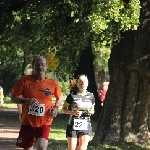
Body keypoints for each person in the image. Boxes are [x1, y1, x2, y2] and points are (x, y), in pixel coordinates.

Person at [11, 56, 63, 150]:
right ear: (33, 66)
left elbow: (60, 97)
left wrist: (55, 107)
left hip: (45, 122)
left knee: (42, 147)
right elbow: (13, 98)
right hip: (27, 122)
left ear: (46, 67)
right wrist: (25, 101)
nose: (40, 67)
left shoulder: (53, 83)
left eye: (43, 65)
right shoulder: (24, 81)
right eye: (37, 65)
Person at [62, 74, 95, 150]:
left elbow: (92, 109)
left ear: (87, 83)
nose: (82, 83)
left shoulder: (91, 96)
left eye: (84, 81)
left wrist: (91, 111)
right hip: (72, 125)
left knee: (82, 148)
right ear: (77, 84)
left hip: (85, 125)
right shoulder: (72, 96)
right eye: (80, 81)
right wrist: (73, 113)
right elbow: (64, 109)